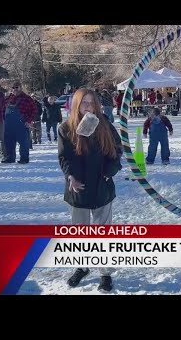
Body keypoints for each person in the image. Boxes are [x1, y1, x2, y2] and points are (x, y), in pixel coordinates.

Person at [58, 88, 123, 292]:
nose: (88, 106)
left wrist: (109, 171)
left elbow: (117, 151)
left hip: (102, 187)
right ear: (76, 105)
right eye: (84, 102)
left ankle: (105, 272)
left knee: (103, 231)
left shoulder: (105, 125)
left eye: (91, 102)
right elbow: (64, 157)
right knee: (81, 231)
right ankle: (82, 266)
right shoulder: (65, 128)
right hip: (78, 188)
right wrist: (71, 176)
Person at [2, 81, 37, 164]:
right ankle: (10, 157)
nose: (15, 89)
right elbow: (3, 110)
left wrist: (29, 121)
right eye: (13, 88)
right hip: (8, 125)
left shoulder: (27, 98)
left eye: (16, 87)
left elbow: (35, 111)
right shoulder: (7, 99)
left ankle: (24, 158)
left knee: (24, 143)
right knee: (8, 142)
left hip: (22, 124)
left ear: (20, 87)